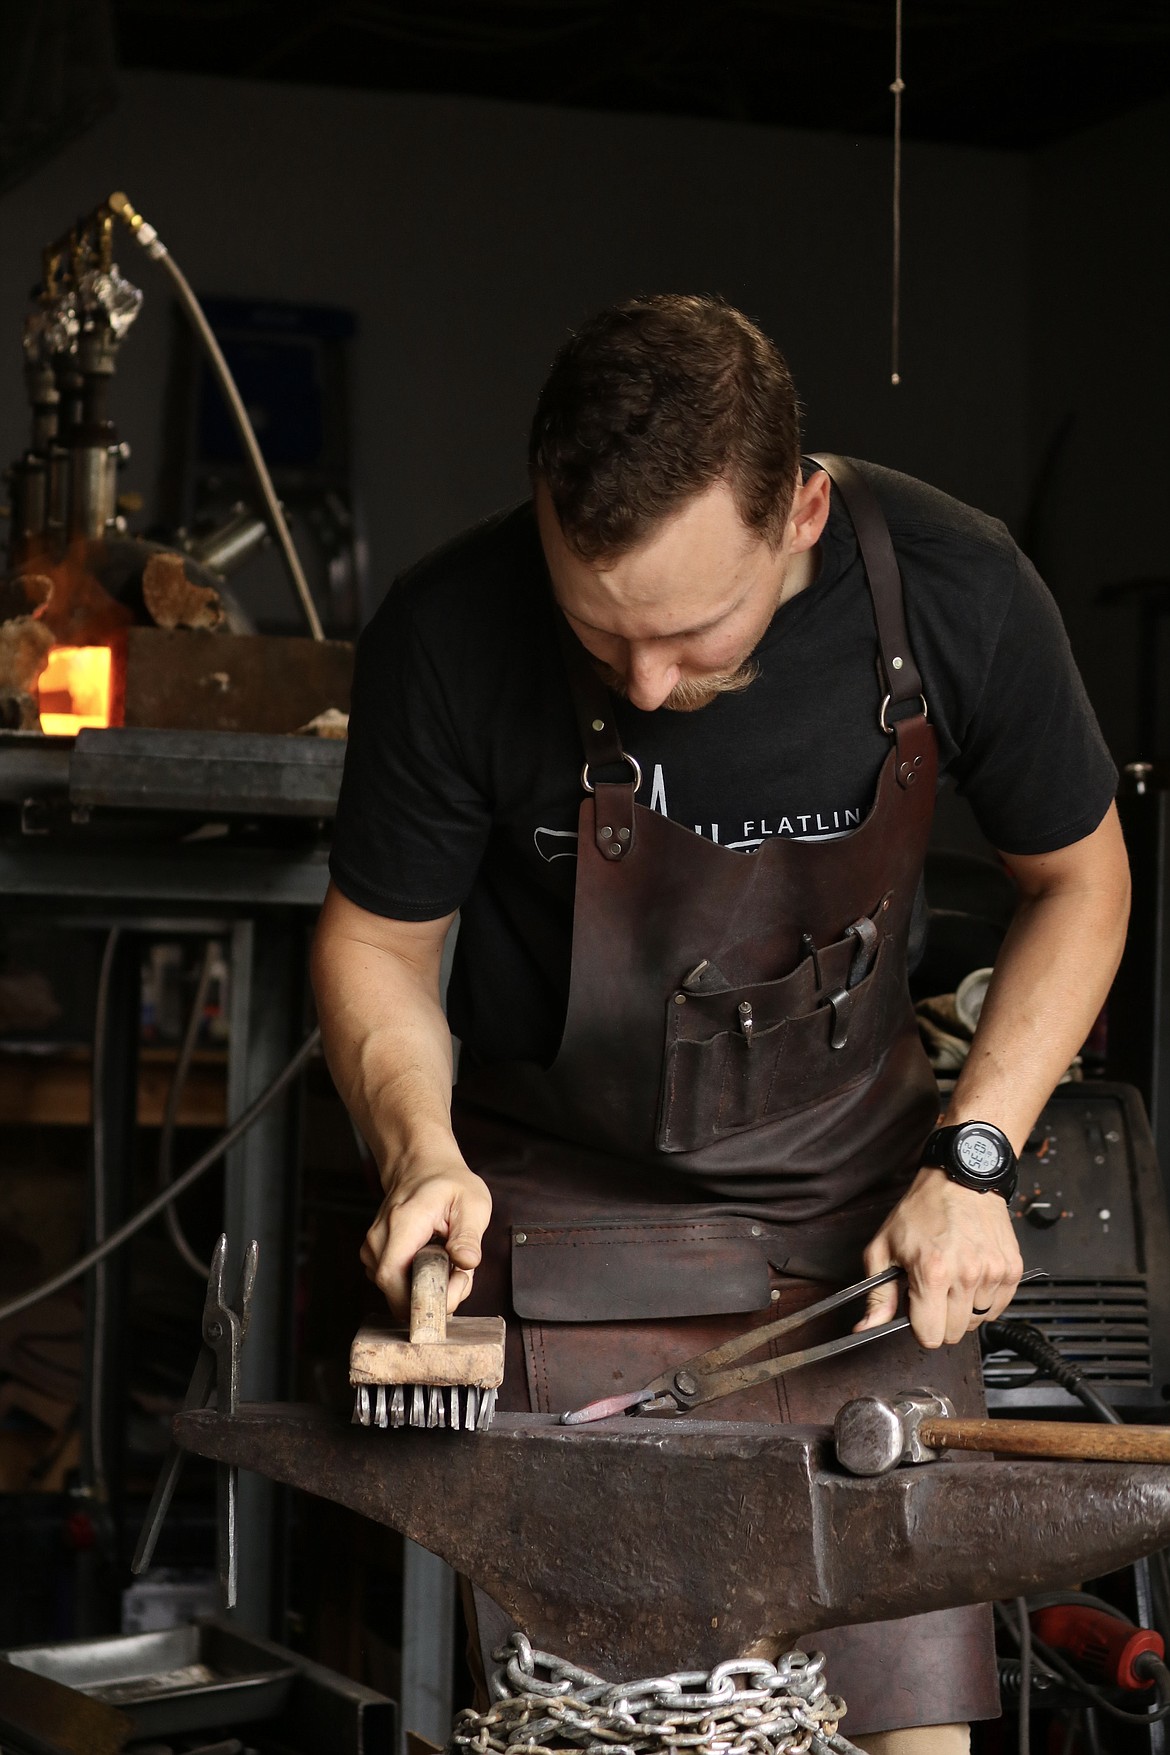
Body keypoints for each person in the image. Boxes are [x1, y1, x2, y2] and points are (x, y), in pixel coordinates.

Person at [311, 295, 1130, 1753]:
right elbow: (379, 945)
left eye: (691, 633)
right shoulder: (449, 633)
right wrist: (419, 1151)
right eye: (597, 629)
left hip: (864, 1237)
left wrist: (977, 1161)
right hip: (565, 1240)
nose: (642, 683)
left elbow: (1079, 881)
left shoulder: (953, 591)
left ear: (802, 511)